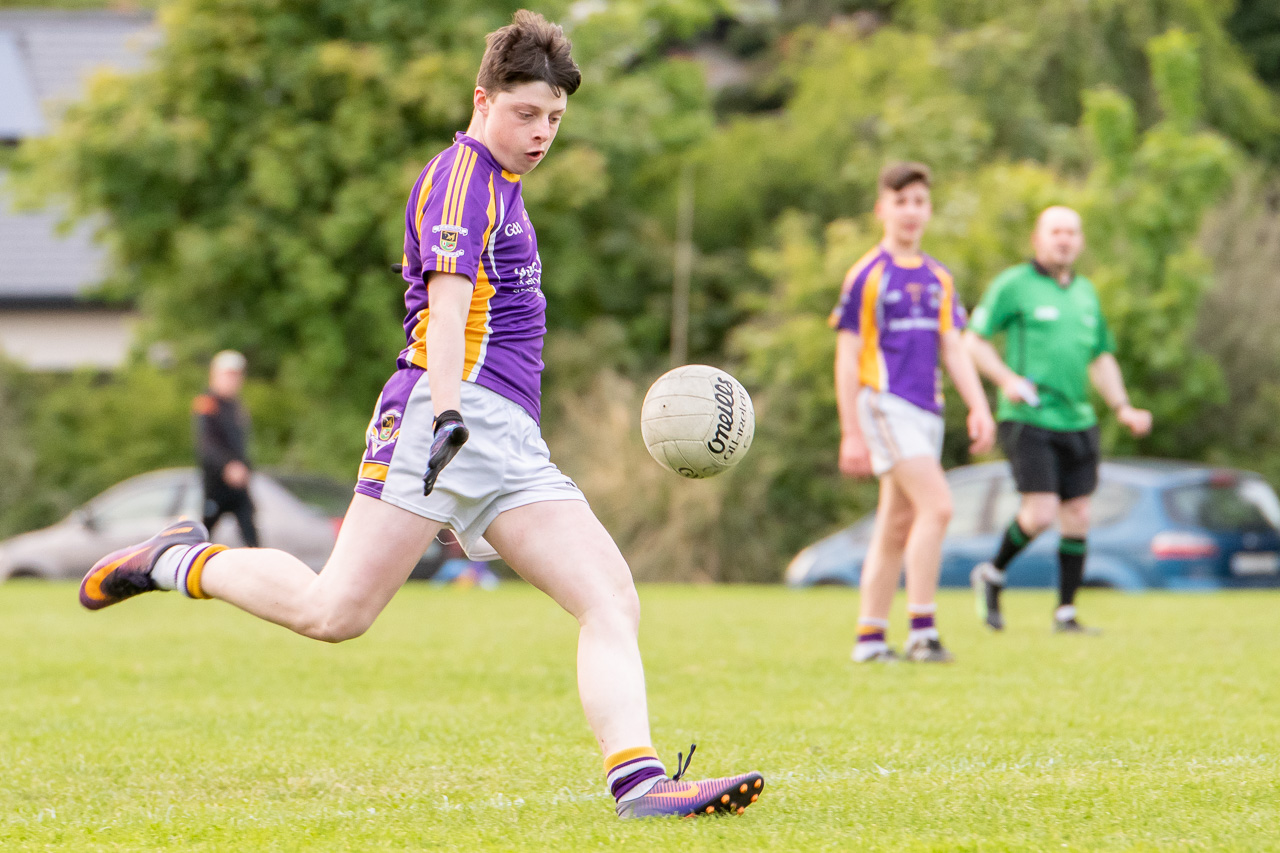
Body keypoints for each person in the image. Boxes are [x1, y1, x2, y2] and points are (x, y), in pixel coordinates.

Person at [78, 11, 763, 820]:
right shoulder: (462, 175)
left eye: (554, 118)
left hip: (506, 439)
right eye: (525, 113)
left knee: (610, 596)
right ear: (482, 99)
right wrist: (443, 417)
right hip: (445, 418)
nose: (541, 133)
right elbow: (444, 310)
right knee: (334, 613)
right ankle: (175, 559)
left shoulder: (505, 186)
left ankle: (639, 783)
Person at [832, 162, 995, 664]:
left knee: (896, 525)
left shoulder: (939, 278)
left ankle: (870, 638)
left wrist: (979, 405)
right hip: (885, 406)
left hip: (927, 412)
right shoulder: (867, 275)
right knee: (939, 507)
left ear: (928, 210)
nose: (910, 211)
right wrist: (850, 433)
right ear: (882, 208)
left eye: (919, 201)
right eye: (900, 201)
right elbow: (846, 354)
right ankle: (923, 631)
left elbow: (953, 346)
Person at [965, 206, 1152, 633]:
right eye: (1055, 232)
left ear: (1081, 241)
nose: (1064, 240)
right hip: (1029, 415)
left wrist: (1123, 406)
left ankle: (1065, 613)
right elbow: (972, 341)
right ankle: (992, 572)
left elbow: (1100, 357)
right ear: (1037, 238)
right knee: (1041, 512)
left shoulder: (1086, 292)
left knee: (1079, 514)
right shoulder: (1014, 285)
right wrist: (1006, 379)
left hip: (1078, 419)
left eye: (1071, 232)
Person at [193, 350, 259, 548]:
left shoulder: (237, 406)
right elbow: (207, 445)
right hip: (216, 483)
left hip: (238, 484)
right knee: (203, 535)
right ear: (215, 375)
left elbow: (242, 446)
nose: (233, 381)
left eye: (236, 376)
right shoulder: (207, 403)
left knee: (251, 537)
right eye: (228, 375)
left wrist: (246, 468)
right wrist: (227, 467)